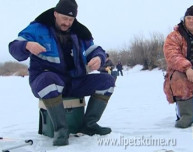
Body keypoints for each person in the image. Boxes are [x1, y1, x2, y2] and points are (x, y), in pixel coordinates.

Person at [9, 0, 115, 146]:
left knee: (107, 82)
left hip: (74, 81)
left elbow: (95, 49)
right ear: (55, 14)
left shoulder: (79, 31)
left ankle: (89, 125)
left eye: (71, 19)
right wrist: (26, 45)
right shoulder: (38, 27)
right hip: (44, 80)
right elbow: (14, 47)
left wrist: (98, 57)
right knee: (50, 80)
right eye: (64, 18)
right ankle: (60, 130)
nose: (67, 23)